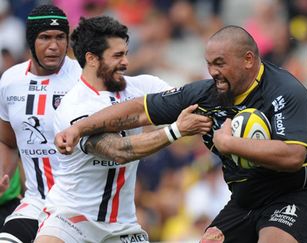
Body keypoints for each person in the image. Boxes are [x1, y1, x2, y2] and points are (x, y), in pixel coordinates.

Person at [55, 25, 307, 243]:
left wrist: (230, 143)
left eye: (220, 63)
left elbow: (293, 156)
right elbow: (139, 109)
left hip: (299, 193)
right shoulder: (208, 94)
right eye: (209, 63)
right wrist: (80, 127)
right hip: (247, 199)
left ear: (248, 59)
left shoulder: (285, 91)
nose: (212, 72)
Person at [34, 16, 211, 243]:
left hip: (123, 226)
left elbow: (191, 105)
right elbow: (118, 151)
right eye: (117, 56)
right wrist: (175, 131)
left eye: (126, 53)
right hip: (72, 219)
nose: (126, 62)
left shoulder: (144, 86)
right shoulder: (73, 106)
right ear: (91, 59)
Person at [0, 4, 81, 243]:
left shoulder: (84, 77)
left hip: (79, 207)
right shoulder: (10, 81)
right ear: (30, 40)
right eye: (45, 37)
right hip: (35, 202)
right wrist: (3, 175)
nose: (54, 46)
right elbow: (7, 141)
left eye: (60, 37)